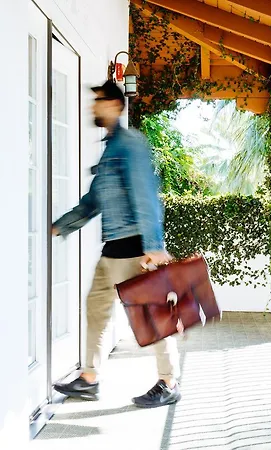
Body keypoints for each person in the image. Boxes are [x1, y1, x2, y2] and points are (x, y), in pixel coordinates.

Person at [52, 80, 181, 408]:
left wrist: (153, 245)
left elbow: (145, 194)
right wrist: (61, 225)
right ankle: (89, 378)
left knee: (152, 316)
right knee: (96, 309)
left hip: (134, 249)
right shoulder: (111, 149)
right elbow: (95, 200)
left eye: (98, 101)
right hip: (112, 248)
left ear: (115, 106)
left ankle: (168, 382)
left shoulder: (131, 144)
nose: (93, 107)